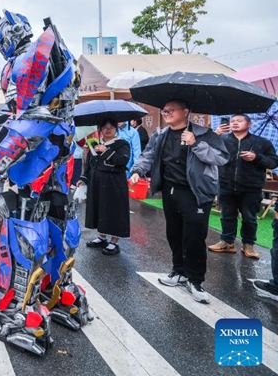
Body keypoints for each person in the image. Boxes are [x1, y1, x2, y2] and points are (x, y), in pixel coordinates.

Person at [130, 100, 228, 304]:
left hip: (196, 193)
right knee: (173, 234)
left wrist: (196, 144)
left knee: (194, 237)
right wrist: (138, 170)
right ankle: (179, 271)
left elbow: (221, 158)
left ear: (185, 112)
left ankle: (195, 280)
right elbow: (148, 155)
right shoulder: (160, 134)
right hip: (170, 191)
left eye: (170, 110)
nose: (166, 113)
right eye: (164, 110)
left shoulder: (204, 134)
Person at [209, 114, 278, 259]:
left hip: (251, 187)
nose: (234, 123)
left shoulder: (261, 143)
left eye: (239, 121)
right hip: (226, 184)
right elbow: (209, 153)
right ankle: (227, 242)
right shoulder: (222, 139)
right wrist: (215, 136)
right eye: (232, 121)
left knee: (249, 217)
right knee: (227, 215)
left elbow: (273, 162)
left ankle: (249, 245)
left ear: (249, 124)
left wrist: (256, 158)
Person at [78, 120, 131, 256]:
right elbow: (90, 163)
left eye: (111, 127)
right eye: (105, 127)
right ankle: (101, 237)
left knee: (114, 211)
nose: (108, 130)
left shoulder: (122, 144)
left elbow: (122, 161)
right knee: (99, 209)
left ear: (116, 129)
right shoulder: (95, 143)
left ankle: (114, 241)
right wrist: (84, 178)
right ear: (100, 129)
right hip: (97, 183)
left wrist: (106, 151)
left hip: (114, 184)